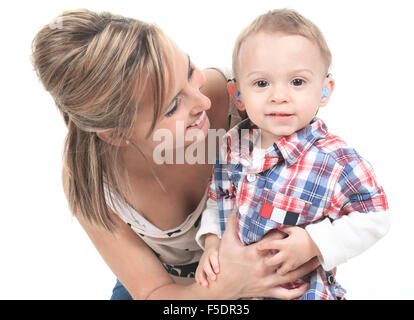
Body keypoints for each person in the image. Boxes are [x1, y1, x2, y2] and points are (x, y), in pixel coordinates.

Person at [31, 8, 328, 300]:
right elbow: (151, 292)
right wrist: (226, 288)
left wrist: (315, 242)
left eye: (189, 71)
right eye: (173, 106)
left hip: (264, 273)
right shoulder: (90, 179)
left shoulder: (247, 96)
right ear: (118, 134)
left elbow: (320, 183)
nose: (202, 101)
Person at [195, 9, 390, 300]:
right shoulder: (233, 144)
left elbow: (375, 217)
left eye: (297, 82)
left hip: (301, 291)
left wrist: (315, 241)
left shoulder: (335, 159)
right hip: (238, 289)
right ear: (238, 96)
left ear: (325, 90)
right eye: (262, 83)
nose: (279, 96)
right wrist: (211, 243)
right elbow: (219, 197)